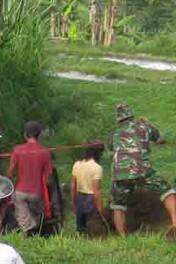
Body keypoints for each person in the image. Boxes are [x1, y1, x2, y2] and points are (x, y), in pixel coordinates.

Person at [110, 102, 176, 239]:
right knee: (166, 190)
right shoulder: (143, 126)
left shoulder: (114, 133)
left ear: (119, 119)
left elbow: (110, 147)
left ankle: (122, 238)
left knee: (118, 204)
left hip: (120, 173)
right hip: (141, 169)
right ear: (131, 115)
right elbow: (159, 139)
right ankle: (175, 223)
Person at [7, 121, 53, 236]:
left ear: (25, 134)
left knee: (24, 222)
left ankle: (27, 234)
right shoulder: (45, 152)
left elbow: (10, 173)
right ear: (40, 134)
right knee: (36, 218)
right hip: (37, 193)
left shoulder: (17, 150)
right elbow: (48, 179)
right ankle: (33, 232)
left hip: (20, 192)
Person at [71, 141, 107, 234]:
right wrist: (100, 209)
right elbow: (97, 191)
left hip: (79, 198)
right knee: (92, 228)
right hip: (91, 200)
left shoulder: (77, 164)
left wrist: (74, 203)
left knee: (80, 228)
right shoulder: (97, 167)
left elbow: (73, 186)